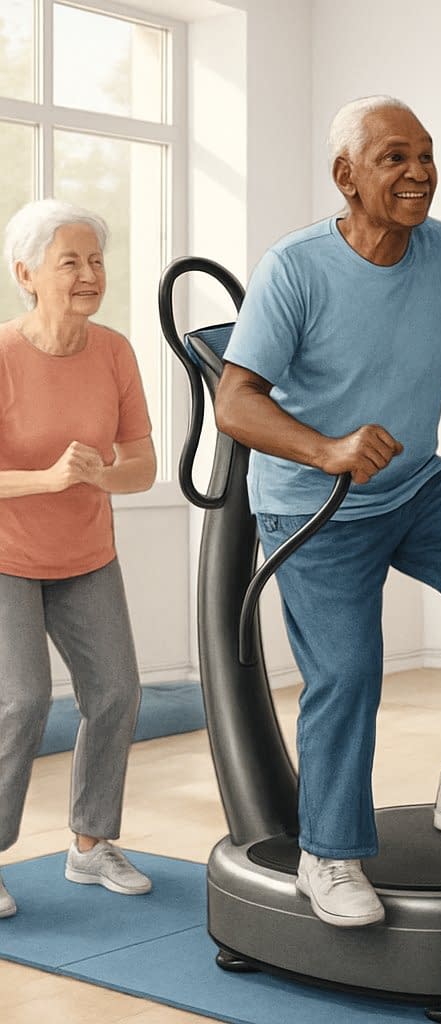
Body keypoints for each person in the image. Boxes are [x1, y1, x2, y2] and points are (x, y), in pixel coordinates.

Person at [215, 97, 441, 929]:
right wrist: (327, 448)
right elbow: (235, 401)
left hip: (414, 487)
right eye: (394, 158)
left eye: (427, 156)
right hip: (316, 506)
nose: (419, 173)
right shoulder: (294, 268)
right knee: (349, 672)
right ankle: (327, 854)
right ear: (346, 176)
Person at [0, 199, 157, 918]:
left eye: (96, 260)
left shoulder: (115, 351)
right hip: (7, 556)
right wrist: (49, 479)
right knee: (22, 700)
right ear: (26, 273)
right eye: (72, 262)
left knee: (118, 692)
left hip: (87, 554)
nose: (90, 274)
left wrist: (100, 476)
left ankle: (90, 847)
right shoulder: (2, 356)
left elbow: (142, 465)